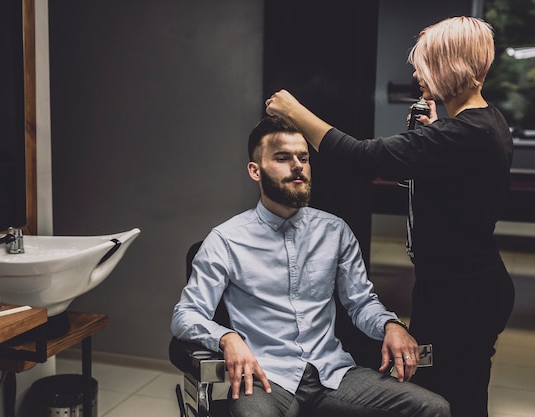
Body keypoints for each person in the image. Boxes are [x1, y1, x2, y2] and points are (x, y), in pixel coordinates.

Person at [265, 16, 514, 417]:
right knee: (448, 393)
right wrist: (433, 136)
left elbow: (363, 157)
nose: (415, 72)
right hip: (460, 284)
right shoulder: (483, 124)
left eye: (423, 63)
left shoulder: (460, 136)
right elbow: (453, 176)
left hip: (462, 295)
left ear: (450, 66)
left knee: (452, 400)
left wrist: (295, 112)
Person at [171, 116, 450, 417]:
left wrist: (390, 325)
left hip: (333, 373)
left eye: (303, 158)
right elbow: (185, 315)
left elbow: (360, 303)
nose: (297, 166)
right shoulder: (226, 240)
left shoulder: (335, 232)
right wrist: (227, 338)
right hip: (267, 378)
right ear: (255, 170)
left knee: (433, 408)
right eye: (282, 158)